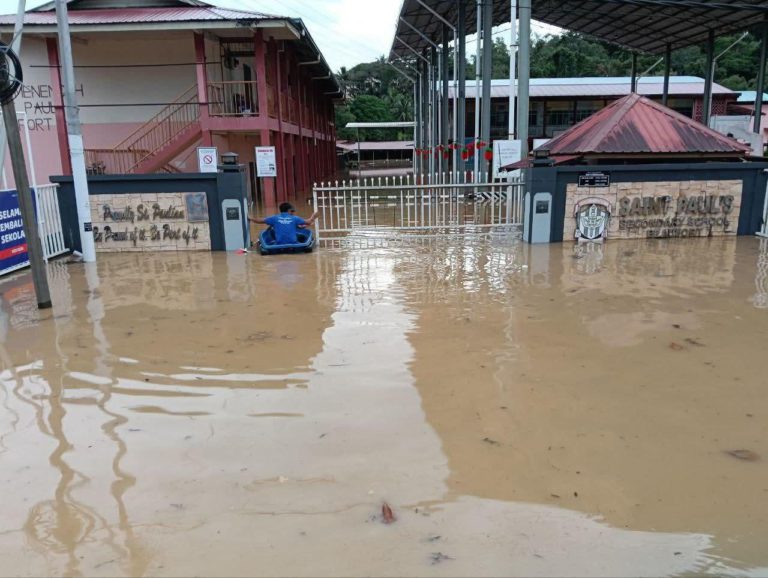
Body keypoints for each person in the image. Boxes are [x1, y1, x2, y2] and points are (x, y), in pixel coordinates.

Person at [250, 203, 319, 245]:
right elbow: (309, 222)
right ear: (288, 210)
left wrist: (251, 218)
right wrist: (313, 216)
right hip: (293, 243)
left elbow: (260, 220)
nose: (293, 213)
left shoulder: (274, 218)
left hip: (279, 243)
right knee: (302, 237)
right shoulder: (295, 218)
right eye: (292, 211)